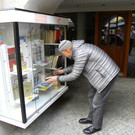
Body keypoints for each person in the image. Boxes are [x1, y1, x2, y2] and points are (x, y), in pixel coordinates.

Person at [46, 40, 120, 134]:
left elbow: (74, 75)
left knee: (97, 102)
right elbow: (77, 65)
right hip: (100, 75)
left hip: (108, 75)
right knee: (91, 96)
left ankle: (96, 126)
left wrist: (57, 78)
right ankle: (91, 118)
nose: (64, 55)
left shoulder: (80, 52)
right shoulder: (78, 49)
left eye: (63, 53)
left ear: (68, 49)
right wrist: (62, 71)